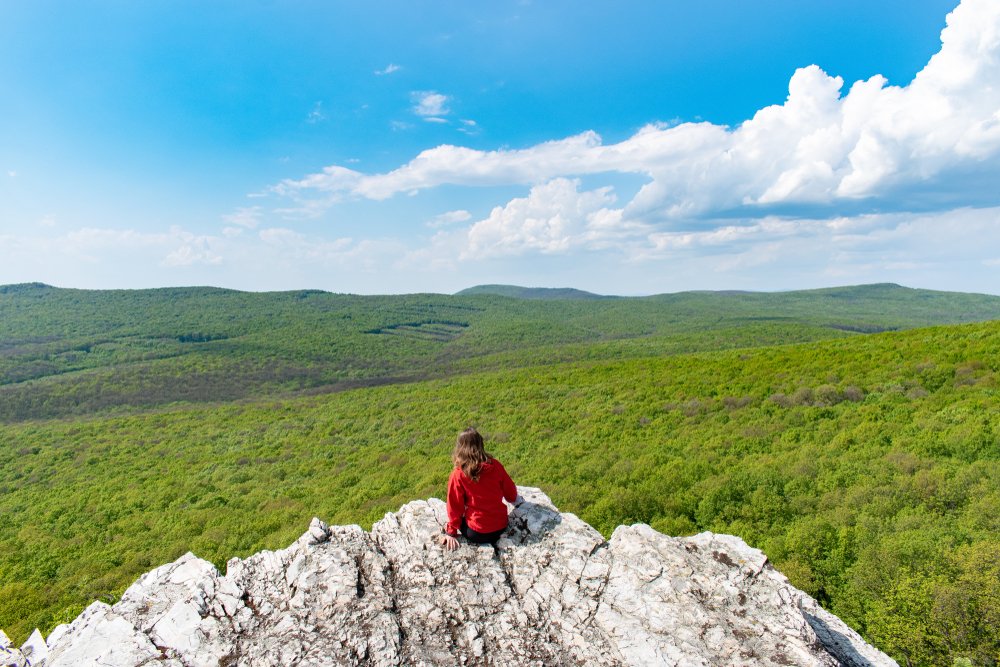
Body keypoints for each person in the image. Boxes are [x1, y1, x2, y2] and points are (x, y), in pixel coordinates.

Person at [439, 427, 523, 550]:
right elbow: (510, 493)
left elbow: (455, 506)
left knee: (461, 517)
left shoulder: (458, 474)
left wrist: (451, 532)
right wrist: (519, 502)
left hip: (476, 533)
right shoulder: (495, 466)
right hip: (500, 525)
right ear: (480, 444)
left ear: (460, 448)